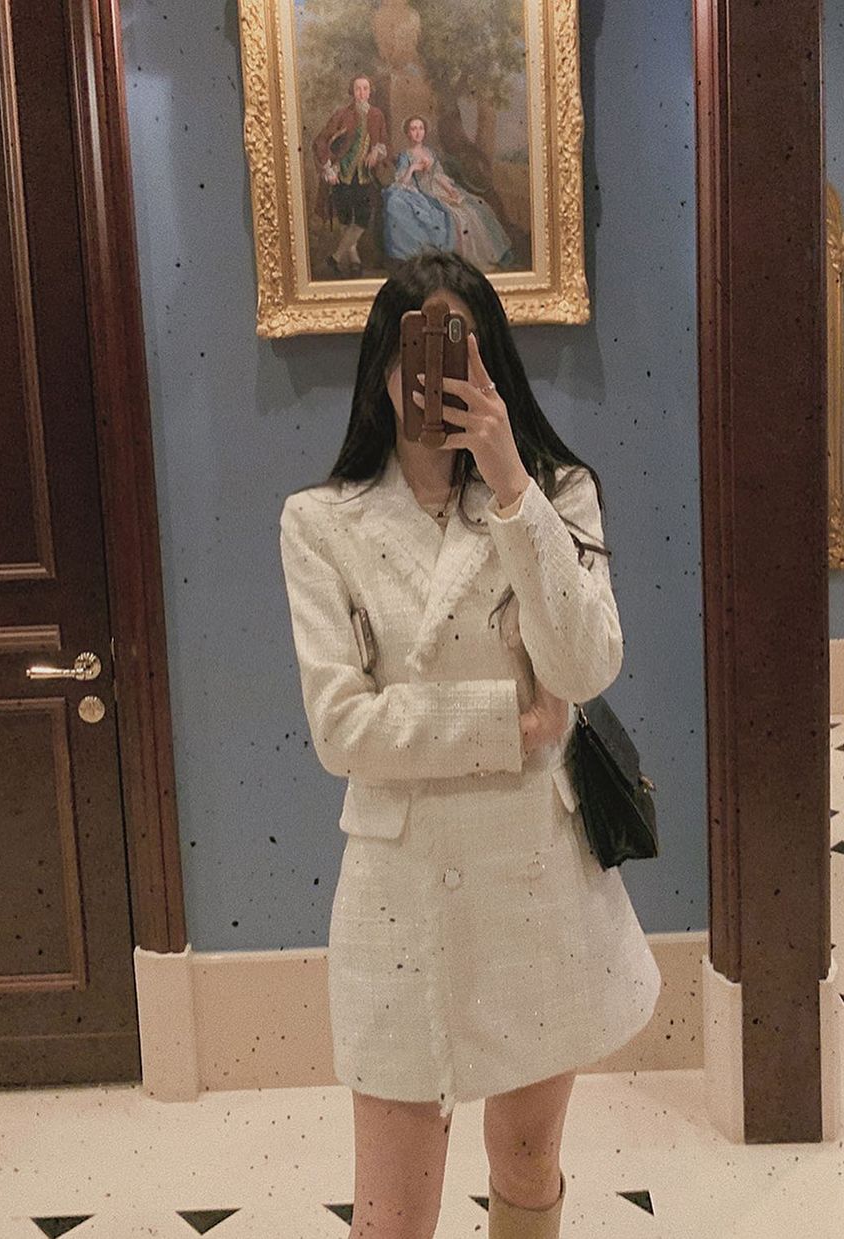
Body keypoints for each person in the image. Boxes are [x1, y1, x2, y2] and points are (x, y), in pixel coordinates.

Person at [278, 249, 661, 1239]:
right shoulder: (321, 524)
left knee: (527, 1165)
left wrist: (509, 484)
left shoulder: (556, 494)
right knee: (391, 1211)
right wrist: (508, 724)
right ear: (382, 366)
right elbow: (342, 727)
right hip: (401, 894)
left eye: (464, 350)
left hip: (535, 875)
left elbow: (584, 665)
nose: (438, 374)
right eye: (419, 350)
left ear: (494, 364)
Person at [382, 115, 513, 270]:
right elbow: (402, 182)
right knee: (455, 217)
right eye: (413, 129)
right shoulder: (405, 156)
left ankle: (482, 257)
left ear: (425, 131)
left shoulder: (430, 152)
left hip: (438, 190)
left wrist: (451, 190)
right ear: (408, 133)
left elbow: (438, 175)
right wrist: (412, 168)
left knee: (473, 209)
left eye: (421, 128)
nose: (418, 132)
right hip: (423, 193)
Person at [312, 74, 391, 278]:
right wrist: (328, 168)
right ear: (352, 91)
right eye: (358, 89)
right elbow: (320, 141)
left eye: (365, 89)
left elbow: (383, 141)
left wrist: (376, 152)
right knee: (346, 217)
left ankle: (335, 258)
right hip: (342, 174)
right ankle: (355, 260)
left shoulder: (377, 115)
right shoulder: (342, 114)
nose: (362, 93)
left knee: (363, 218)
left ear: (370, 91)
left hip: (365, 175)